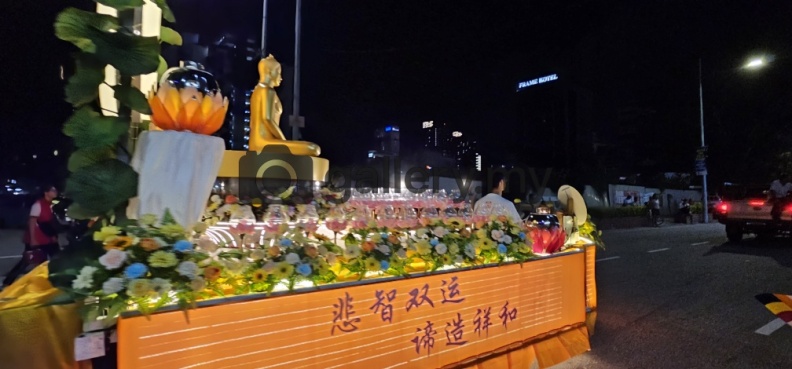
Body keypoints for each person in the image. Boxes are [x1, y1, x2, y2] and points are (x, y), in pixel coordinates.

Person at [2, 184, 61, 287]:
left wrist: (53, 236)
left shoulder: (50, 205)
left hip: (47, 237)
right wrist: (33, 239)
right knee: (27, 260)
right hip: (38, 238)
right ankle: (8, 281)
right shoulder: (38, 205)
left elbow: (50, 223)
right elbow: (32, 222)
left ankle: (54, 281)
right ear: (46, 192)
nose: (55, 192)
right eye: (53, 190)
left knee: (56, 258)